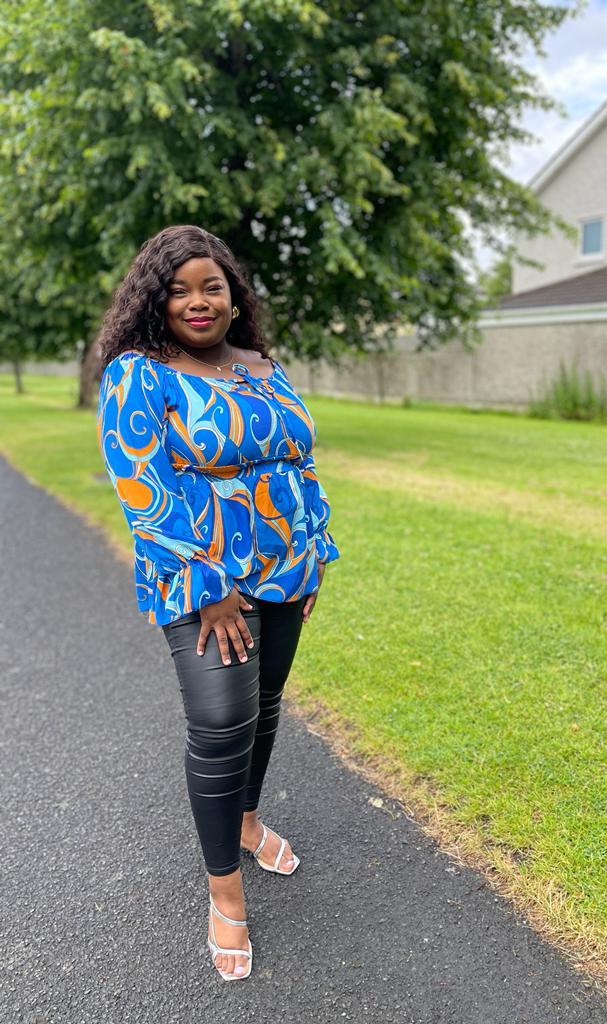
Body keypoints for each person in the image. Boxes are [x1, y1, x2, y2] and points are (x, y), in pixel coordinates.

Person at [95, 224, 341, 981]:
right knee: (220, 721)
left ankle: (246, 819)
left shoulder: (265, 367)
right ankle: (224, 889)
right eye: (178, 289)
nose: (197, 301)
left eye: (212, 286)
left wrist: (316, 551)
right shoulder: (140, 373)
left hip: (286, 573)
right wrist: (210, 593)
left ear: (235, 299)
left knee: (264, 706)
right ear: (154, 300)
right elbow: (142, 487)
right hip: (202, 586)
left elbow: (299, 463)